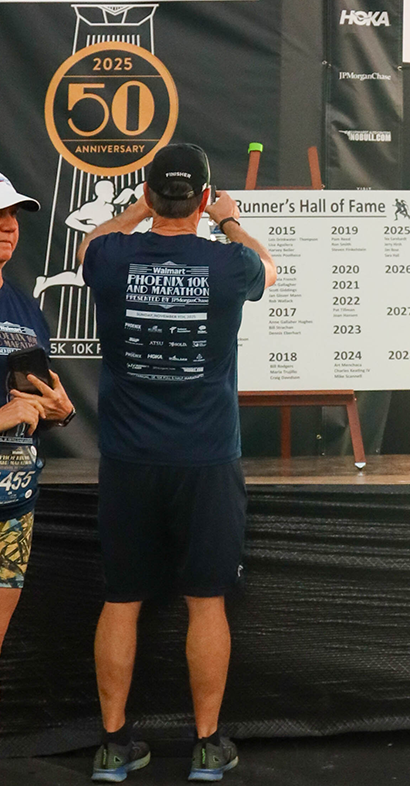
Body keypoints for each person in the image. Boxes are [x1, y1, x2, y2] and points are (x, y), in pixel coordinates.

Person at [78, 144, 276, 783]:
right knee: (207, 602)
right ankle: (208, 745)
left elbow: (88, 246)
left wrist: (137, 211)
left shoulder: (112, 256)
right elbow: (270, 270)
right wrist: (229, 219)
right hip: (205, 459)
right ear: (203, 197)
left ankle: (114, 744)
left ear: (148, 194)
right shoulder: (230, 263)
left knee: (122, 599)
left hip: (129, 460)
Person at [0, 173, 76, 653]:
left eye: (12, 214)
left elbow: (32, 403)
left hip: (14, 504)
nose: (8, 225)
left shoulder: (25, 308)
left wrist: (60, 412)